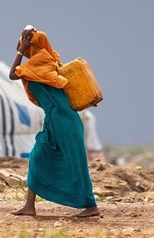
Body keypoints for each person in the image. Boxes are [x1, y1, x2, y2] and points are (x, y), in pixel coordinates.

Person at [8, 25, 99, 218]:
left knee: (76, 163)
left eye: (27, 46)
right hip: (55, 120)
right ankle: (29, 205)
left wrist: (20, 50)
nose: (25, 52)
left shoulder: (39, 63)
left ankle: (90, 206)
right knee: (37, 157)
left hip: (63, 121)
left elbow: (12, 74)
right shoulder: (50, 61)